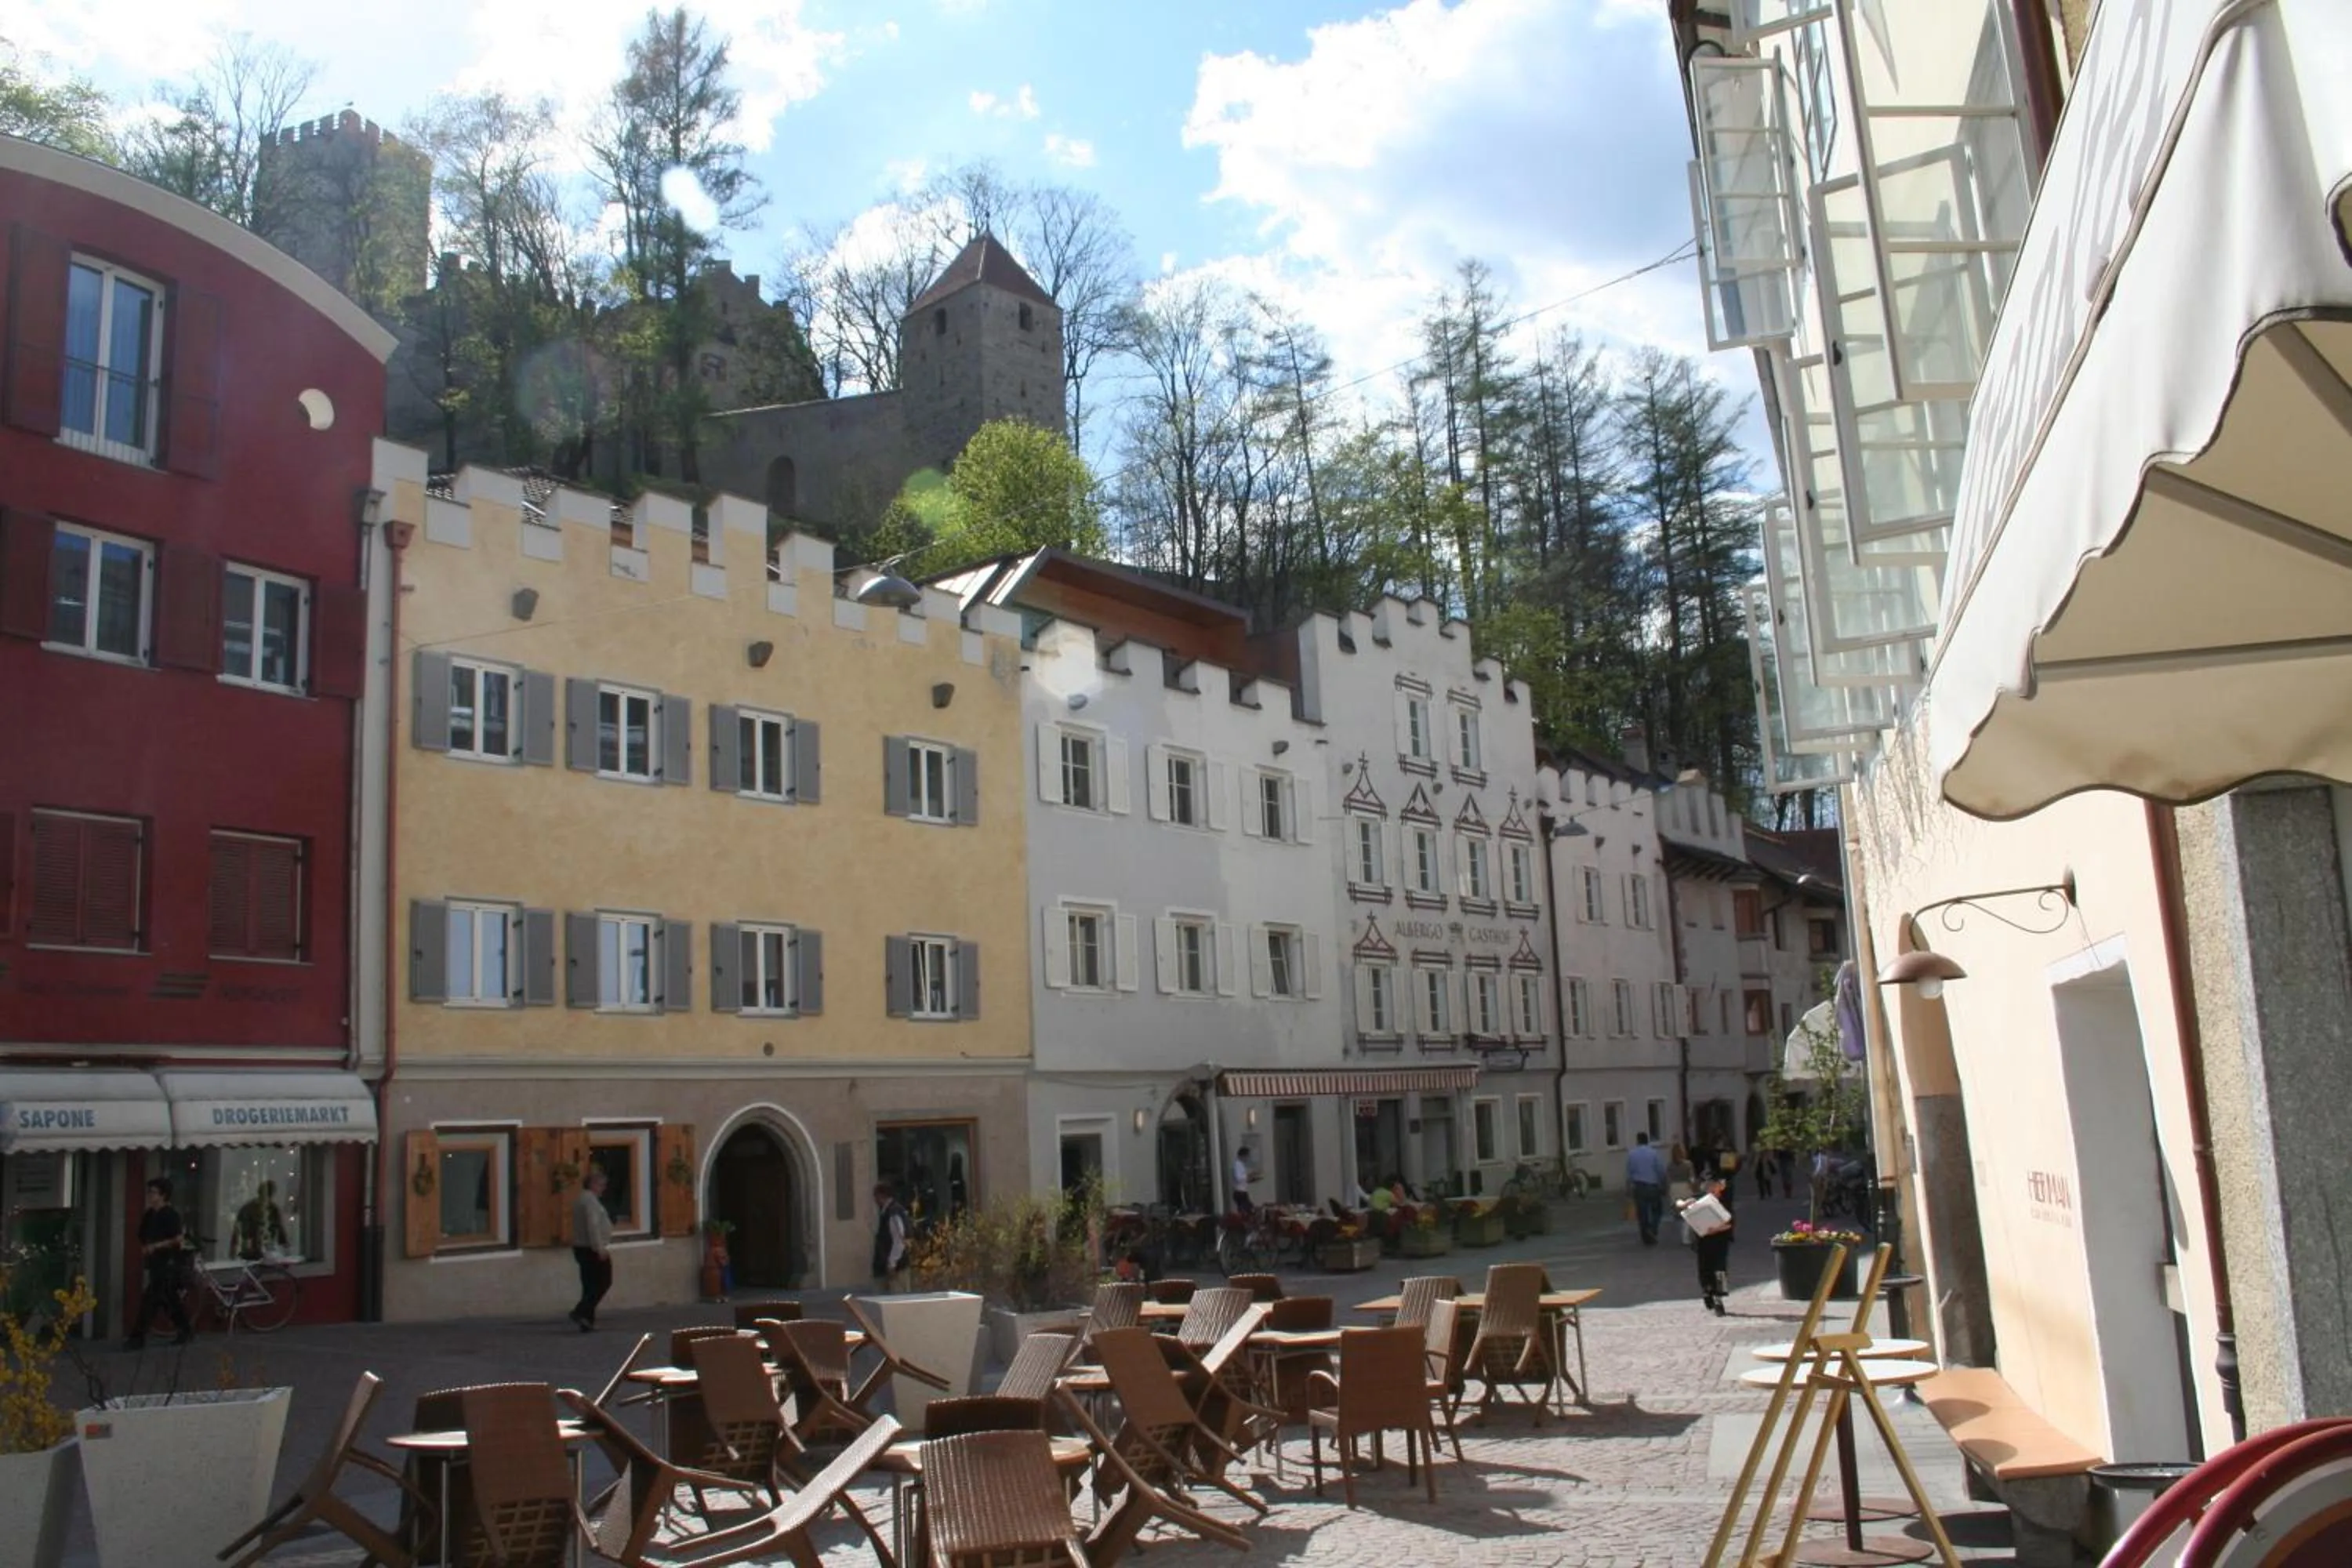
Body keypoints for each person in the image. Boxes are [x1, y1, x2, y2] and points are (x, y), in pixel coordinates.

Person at [127, 1177, 194, 1348]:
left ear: (163, 1195)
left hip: (169, 1263)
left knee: (150, 1299)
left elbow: (178, 1239)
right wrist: (146, 1246)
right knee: (169, 1299)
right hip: (155, 1263)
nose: (150, 1195)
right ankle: (185, 1329)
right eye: (149, 1192)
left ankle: (137, 1337)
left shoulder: (171, 1215)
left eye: (153, 1192)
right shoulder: (150, 1214)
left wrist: (157, 1246)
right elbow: (141, 1234)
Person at [1682, 1175, 1736, 1315]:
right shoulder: (1699, 1198)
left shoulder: (1725, 1199)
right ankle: (1707, 1292)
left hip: (1720, 1240)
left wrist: (1716, 1229)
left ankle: (1719, 1297)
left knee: (1720, 1269)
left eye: (1715, 1185)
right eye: (1709, 1185)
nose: (1713, 1188)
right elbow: (1678, 1204)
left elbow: (1730, 1223)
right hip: (1703, 1240)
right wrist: (1684, 1204)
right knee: (1705, 1268)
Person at [569, 1167, 614, 1331]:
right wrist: (599, 1248)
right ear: (593, 1184)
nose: (604, 1188)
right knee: (603, 1282)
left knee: (589, 1285)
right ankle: (580, 1311)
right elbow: (593, 1226)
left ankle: (587, 1320)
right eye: (602, 1185)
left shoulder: (582, 1199)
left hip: (581, 1247)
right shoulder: (590, 1201)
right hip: (590, 1248)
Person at [1624, 1133, 1668, 1244]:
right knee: (1657, 1210)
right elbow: (1661, 1170)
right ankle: (1653, 1228)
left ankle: (1646, 1236)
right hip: (1653, 1186)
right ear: (1647, 1141)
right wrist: (1663, 1184)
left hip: (1639, 1186)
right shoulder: (1654, 1153)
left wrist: (1628, 1188)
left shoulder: (1632, 1154)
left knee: (1642, 1213)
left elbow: (1629, 1173)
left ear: (1638, 1141)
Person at [233, 1179, 289, 1261]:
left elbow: (280, 1230)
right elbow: (239, 1230)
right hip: (251, 1251)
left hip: (266, 1251)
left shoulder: (273, 1209)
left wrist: (285, 1246)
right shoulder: (248, 1209)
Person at [871, 1183, 910, 1293]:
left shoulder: (893, 1212)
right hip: (886, 1265)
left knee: (897, 1298)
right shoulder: (888, 1212)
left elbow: (899, 1240)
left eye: (876, 1196)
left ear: (881, 1196)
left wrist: (892, 1264)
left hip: (895, 1267)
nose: (875, 1200)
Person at [1230, 1146, 1256, 1215]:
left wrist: (1252, 1179)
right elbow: (1239, 1178)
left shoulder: (1241, 1165)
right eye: (1247, 1156)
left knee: (1247, 1209)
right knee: (1247, 1210)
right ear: (1243, 1155)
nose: (1248, 1158)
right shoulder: (1237, 1165)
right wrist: (1248, 1176)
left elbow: (1243, 1179)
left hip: (1242, 1191)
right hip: (1239, 1192)